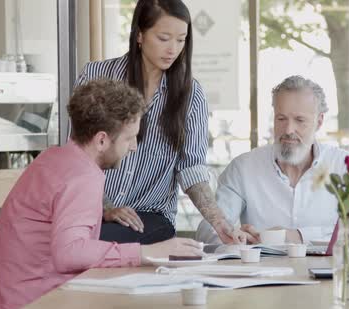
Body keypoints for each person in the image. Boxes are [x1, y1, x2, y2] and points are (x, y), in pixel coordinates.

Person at [0, 80, 204, 309]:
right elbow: (69, 253)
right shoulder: (82, 176)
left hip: (13, 299)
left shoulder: (53, 158)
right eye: (129, 138)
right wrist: (147, 252)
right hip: (37, 303)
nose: (133, 148)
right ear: (102, 140)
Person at [74, 0, 243, 245]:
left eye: (181, 40)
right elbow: (79, 154)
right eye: (164, 38)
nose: (172, 49)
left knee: (91, 241)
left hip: (150, 217)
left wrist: (220, 222)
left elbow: (191, 169)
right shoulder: (97, 77)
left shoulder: (191, 94)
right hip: (91, 209)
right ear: (140, 35)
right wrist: (106, 208)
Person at [196, 76, 349, 245]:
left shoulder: (344, 165)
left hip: (328, 270)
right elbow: (207, 231)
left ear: (319, 121)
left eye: (300, 120)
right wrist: (232, 237)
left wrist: (295, 236)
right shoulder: (244, 168)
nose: (289, 130)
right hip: (263, 270)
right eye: (281, 119)